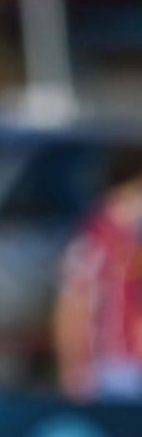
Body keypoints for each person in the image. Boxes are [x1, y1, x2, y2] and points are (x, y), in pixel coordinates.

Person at [53, 148, 142, 400]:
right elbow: (73, 304)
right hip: (114, 369)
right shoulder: (95, 236)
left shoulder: (133, 234)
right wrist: (72, 366)